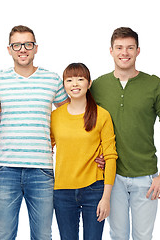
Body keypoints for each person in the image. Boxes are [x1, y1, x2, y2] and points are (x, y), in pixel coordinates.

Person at [0, 25, 68, 239]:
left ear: (35, 48)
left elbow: (70, 114)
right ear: (9, 49)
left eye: (28, 44)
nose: (22, 49)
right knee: (4, 235)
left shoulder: (52, 79)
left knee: (42, 235)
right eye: (16, 45)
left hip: (41, 169)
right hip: (6, 169)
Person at [91, 27, 160, 240]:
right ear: (110, 51)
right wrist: (97, 153)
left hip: (146, 178)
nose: (124, 52)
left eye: (130, 47)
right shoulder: (98, 86)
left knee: (143, 236)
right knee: (117, 236)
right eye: (119, 47)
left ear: (138, 51)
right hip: (112, 177)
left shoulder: (153, 84)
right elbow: (87, 125)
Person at [51, 63, 117, 240]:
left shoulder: (102, 115)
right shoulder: (55, 117)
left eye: (80, 79)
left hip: (94, 189)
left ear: (89, 83)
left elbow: (110, 157)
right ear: (63, 85)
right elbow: (45, 149)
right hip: (62, 190)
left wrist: (106, 198)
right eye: (69, 80)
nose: (75, 84)